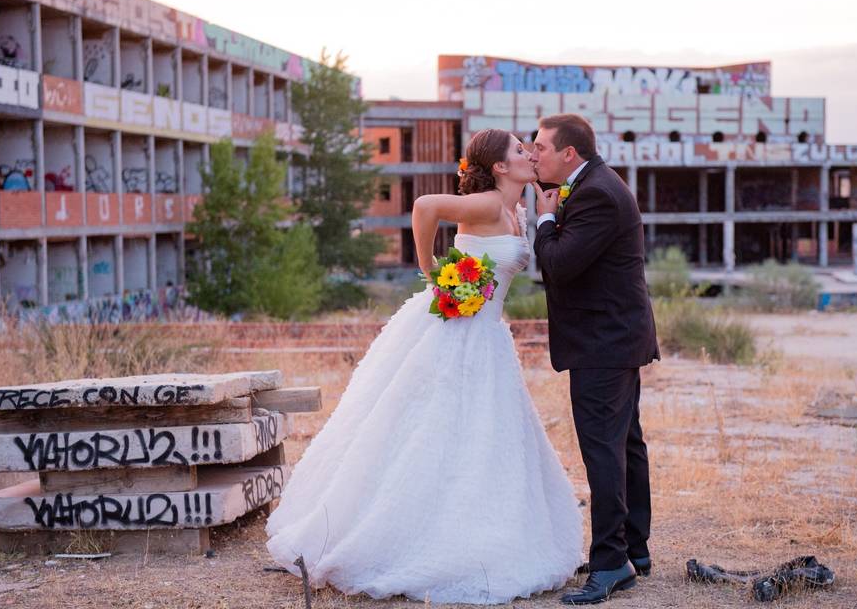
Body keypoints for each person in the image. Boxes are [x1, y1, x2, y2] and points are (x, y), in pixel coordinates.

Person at [266, 128, 582, 605]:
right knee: (433, 428)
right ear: (499, 167)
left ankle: (478, 527)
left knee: (478, 437)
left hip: (488, 334)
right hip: (459, 330)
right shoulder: (487, 203)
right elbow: (424, 208)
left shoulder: (515, 210)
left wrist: (547, 212)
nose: (528, 154)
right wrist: (433, 271)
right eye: (520, 150)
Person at [530, 113, 660, 605]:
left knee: (604, 448)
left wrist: (543, 219)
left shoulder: (597, 193)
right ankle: (634, 550)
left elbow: (559, 266)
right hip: (615, 337)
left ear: (569, 154)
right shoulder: (593, 186)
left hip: (605, 342)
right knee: (625, 443)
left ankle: (611, 563)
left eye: (541, 146)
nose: (533, 152)